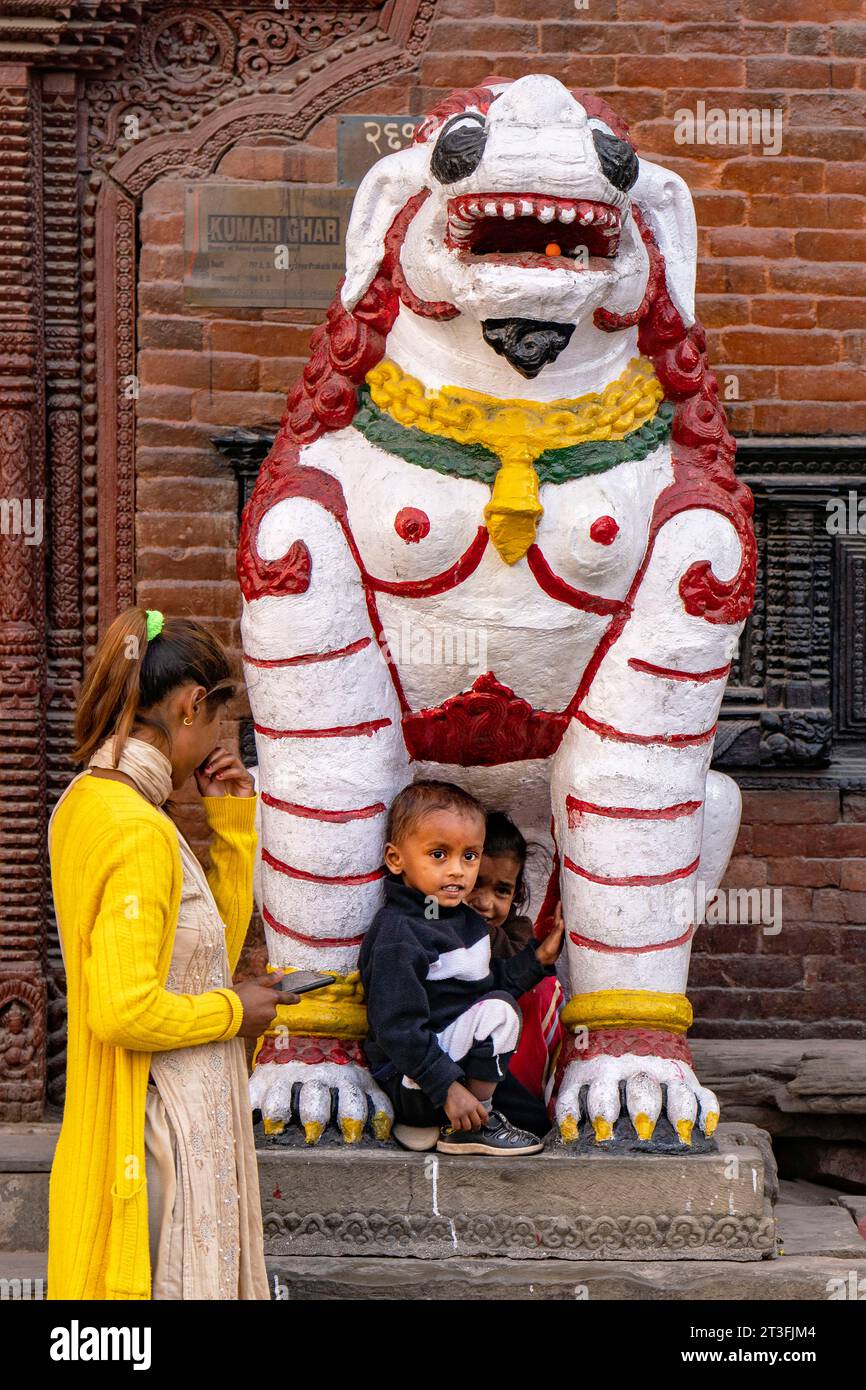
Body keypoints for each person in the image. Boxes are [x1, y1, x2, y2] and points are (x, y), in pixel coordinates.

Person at [46, 607, 296, 1300]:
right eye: (219, 719)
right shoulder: (136, 831)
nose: (220, 738)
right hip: (159, 1139)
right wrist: (233, 1010)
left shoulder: (91, 803)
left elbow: (200, 951)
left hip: (151, 1129)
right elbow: (123, 1012)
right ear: (191, 706)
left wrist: (232, 830)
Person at [358, 780, 564, 1156]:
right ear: (396, 859)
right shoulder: (399, 932)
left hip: (454, 1061)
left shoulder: (459, 919)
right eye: (439, 855)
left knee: (537, 1118)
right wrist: (448, 1088)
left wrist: (538, 960)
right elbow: (397, 1029)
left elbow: (484, 986)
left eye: (469, 856)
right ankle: (471, 1119)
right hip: (409, 1077)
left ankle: (468, 1118)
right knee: (499, 1010)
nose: (457, 871)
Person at [467, 812, 565, 1138]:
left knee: (545, 988)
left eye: (502, 891)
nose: (485, 902)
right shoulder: (434, 927)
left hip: (510, 1061)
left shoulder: (517, 933)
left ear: (517, 893)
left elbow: (511, 970)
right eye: (475, 883)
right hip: (457, 1062)